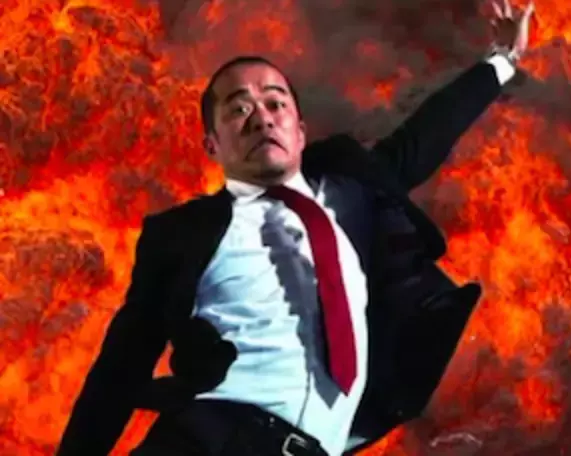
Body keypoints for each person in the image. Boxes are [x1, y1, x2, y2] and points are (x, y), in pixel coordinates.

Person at [56, 1, 535, 455]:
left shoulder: (354, 195)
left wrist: (502, 59)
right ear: (212, 144)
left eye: (275, 103)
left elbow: (424, 136)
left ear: (300, 131)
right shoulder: (180, 235)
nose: (261, 118)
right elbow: (120, 367)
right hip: (209, 440)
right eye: (238, 109)